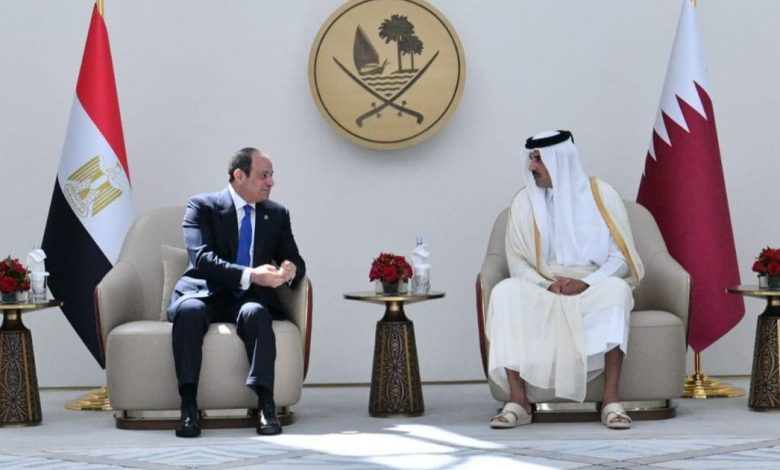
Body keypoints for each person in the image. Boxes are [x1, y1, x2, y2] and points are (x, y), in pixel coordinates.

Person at [486, 130, 644, 430]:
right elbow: (517, 261)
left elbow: (621, 258)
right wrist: (546, 285)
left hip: (591, 283)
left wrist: (588, 283)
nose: (532, 167)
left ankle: (611, 401)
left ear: (560, 160)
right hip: (542, 284)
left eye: (538, 159)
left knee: (617, 290)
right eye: (530, 159)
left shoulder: (602, 196)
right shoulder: (524, 202)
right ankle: (519, 401)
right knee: (504, 293)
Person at [167, 147, 305, 438]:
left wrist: (289, 268)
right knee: (189, 312)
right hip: (205, 292)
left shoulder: (276, 214)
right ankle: (189, 407)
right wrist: (252, 275)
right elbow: (202, 259)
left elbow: (294, 258)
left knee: (257, 314)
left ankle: (266, 406)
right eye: (263, 175)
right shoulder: (202, 207)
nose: (271, 182)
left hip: (247, 298)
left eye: (271, 175)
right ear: (239, 176)